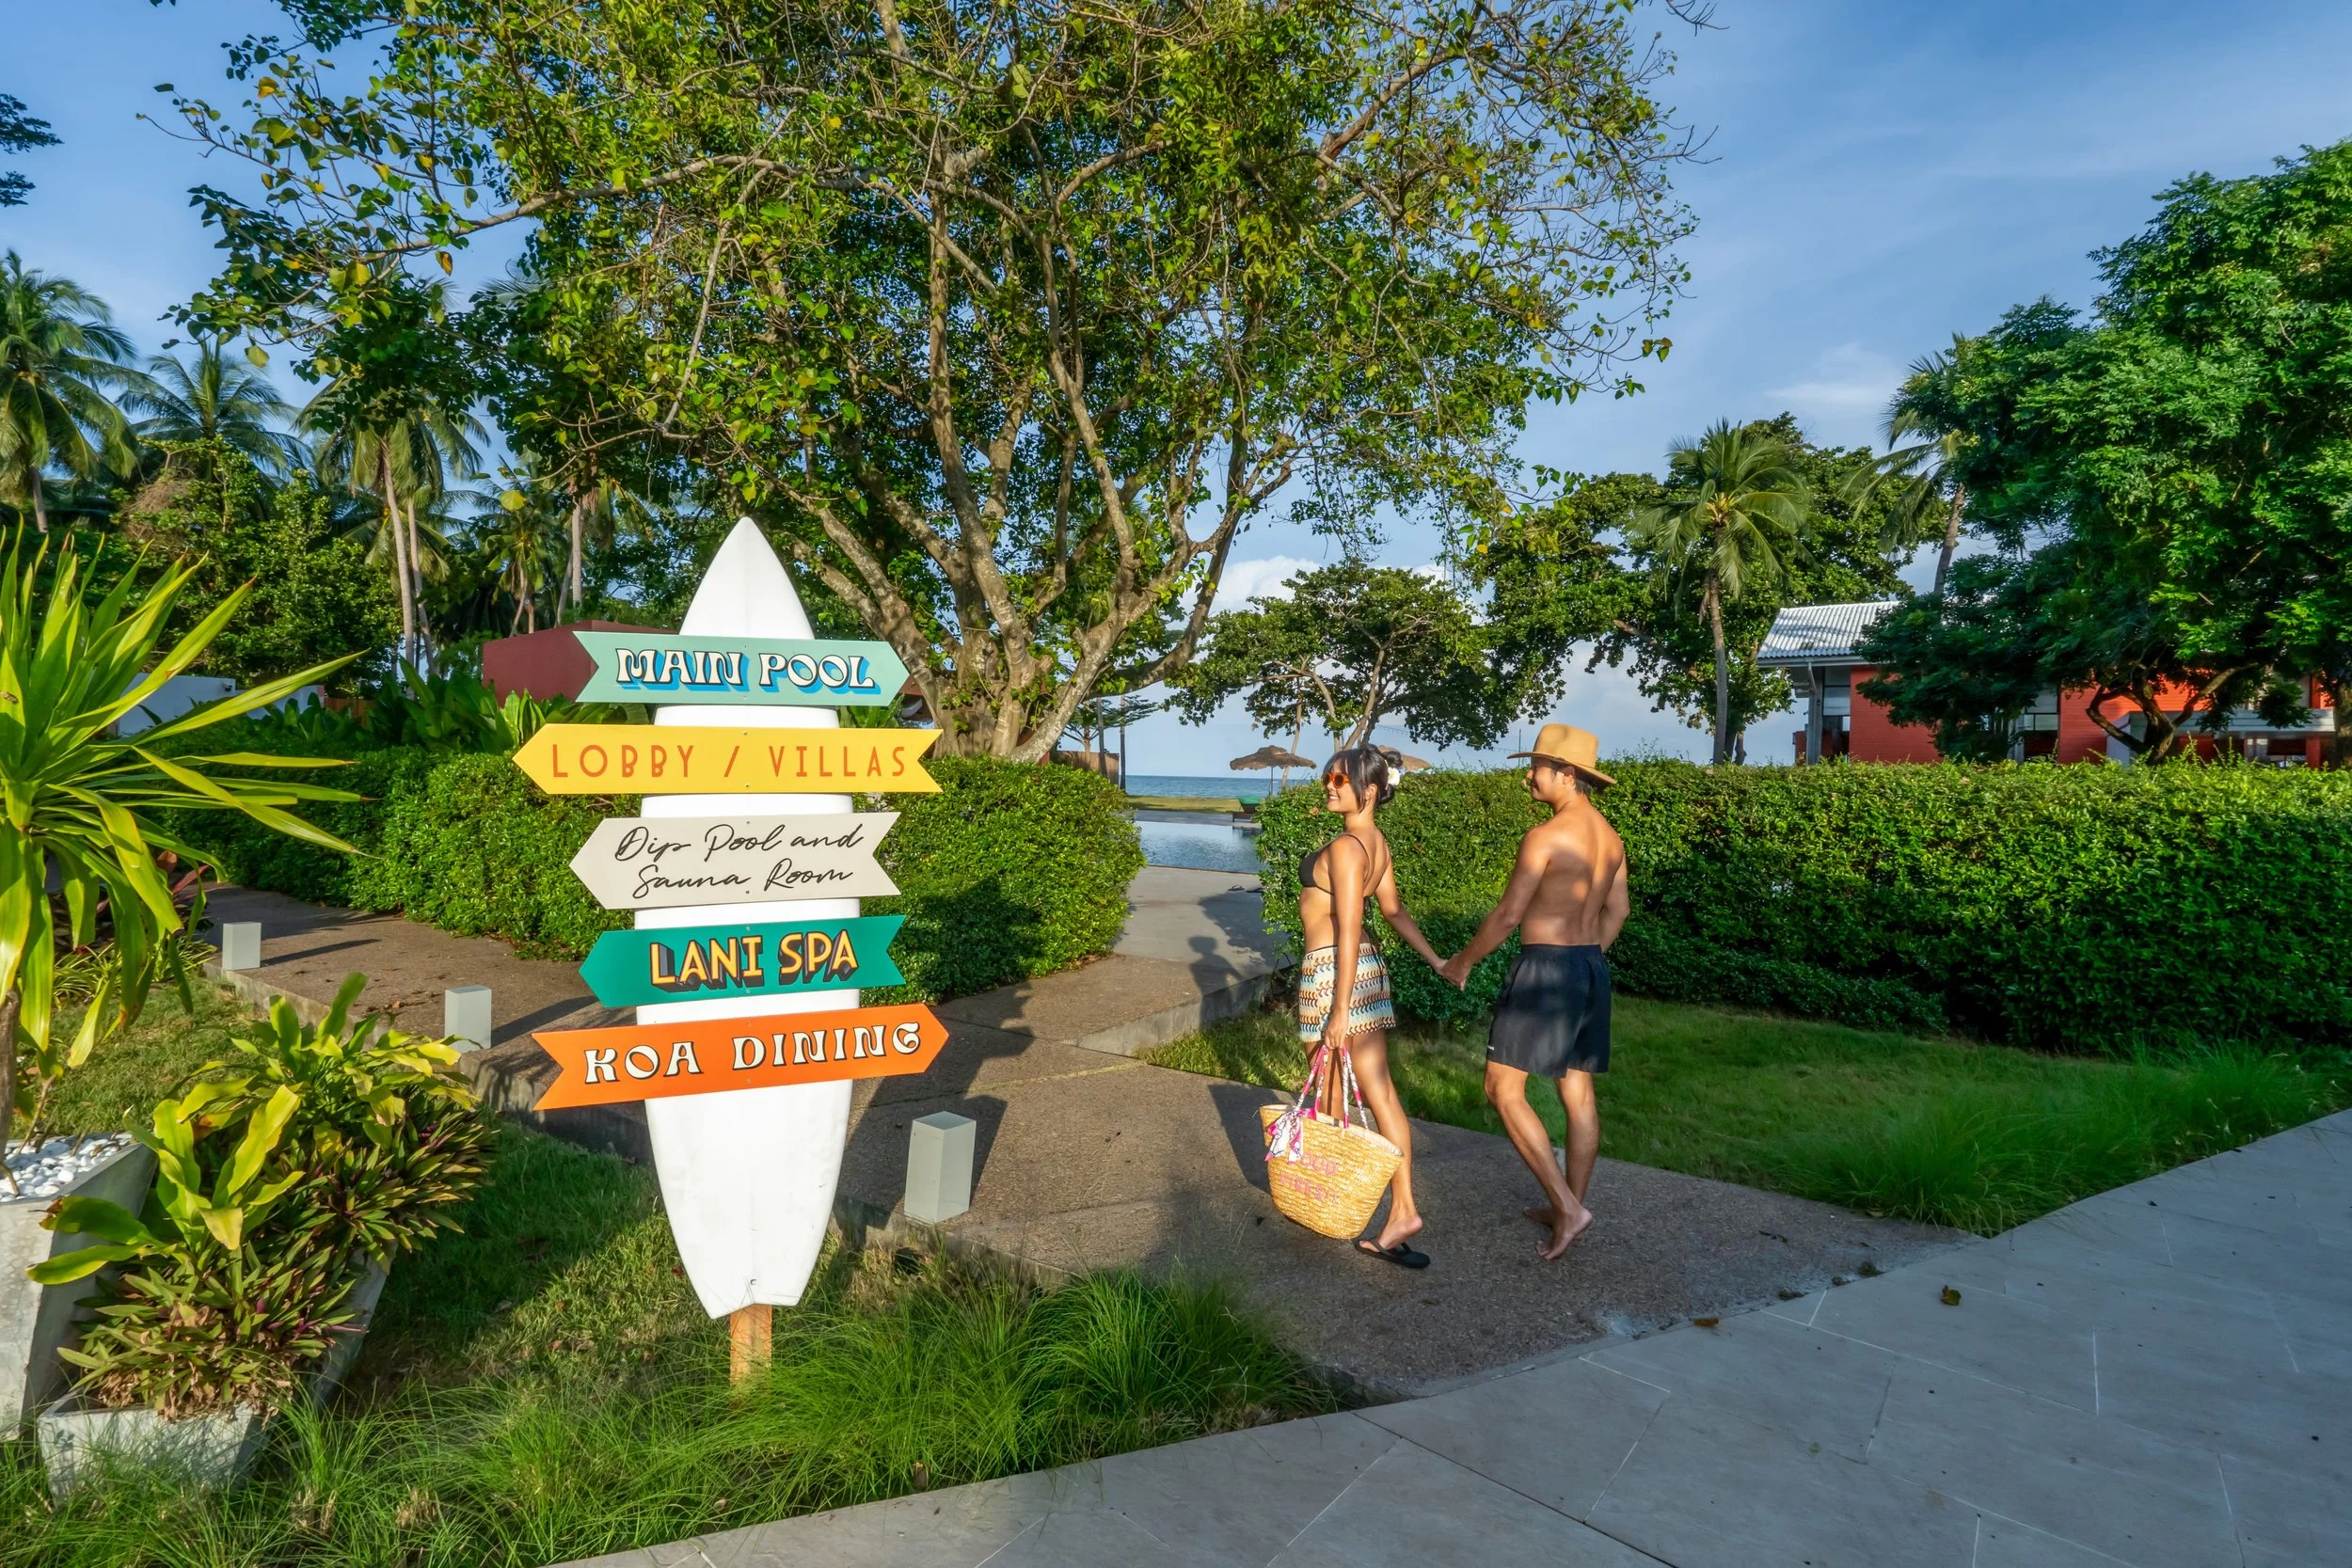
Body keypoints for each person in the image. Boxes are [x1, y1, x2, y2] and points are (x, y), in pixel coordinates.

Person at [1438, 723, 1627, 1261]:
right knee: (1578, 1092)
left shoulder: (1545, 838)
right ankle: (1570, 1204)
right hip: (1589, 966)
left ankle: (1568, 1208)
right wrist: (1587, 961)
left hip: (1546, 968)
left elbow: (1508, 914)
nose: (1528, 776)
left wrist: (1463, 962)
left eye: (1537, 767)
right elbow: (1619, 910)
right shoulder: (1610, 839)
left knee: (1502, 1089)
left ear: (1566, 775)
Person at [1296, 746, 1449, 1268]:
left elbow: (1351, 924)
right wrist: (1438, 961)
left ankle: (1361, 1200)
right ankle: (1389, 1205)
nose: (1329, 785)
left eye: (1338, 778)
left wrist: (1339, 1010)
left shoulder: (1345, 848)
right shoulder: (1375, 843)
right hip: (1366, 972)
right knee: (1369, 1089)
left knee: (1337, 1086)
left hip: (1335, 973)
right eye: (1328, 777)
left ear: (1369, 789)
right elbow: (1395, 912)